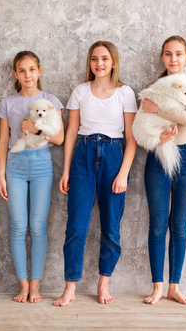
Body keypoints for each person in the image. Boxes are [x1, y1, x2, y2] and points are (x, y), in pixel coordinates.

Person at [53, 41, 137, 307]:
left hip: (114, 156)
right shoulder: (80, 91)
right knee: (76, 226)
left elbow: (132, 139)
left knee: (111, 228)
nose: (99, 64)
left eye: (104, 58)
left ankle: (104, 284)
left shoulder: (125, 93)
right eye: (94, 59)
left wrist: (123, 173)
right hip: (83, 156)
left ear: (113, 62)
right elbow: (71, 133)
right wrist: (66, 170)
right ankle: (70, 288)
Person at [142, 36, 186, 305]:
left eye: (179, 54)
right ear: (162, 58)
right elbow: (144, 128)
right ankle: (158, 286)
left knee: (179, 226)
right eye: (168, 54)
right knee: (158, 225)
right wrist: (159, 132)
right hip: (158, 157)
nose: (173, 59)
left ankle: (174, 286)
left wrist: (160, 109)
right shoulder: (152, 88)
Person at [0, 51, 65, 303]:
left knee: (37, 227)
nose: (28, 75)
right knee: (17, 227)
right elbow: (4, 140)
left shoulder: (51, 100)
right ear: (16, 74)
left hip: (41, 165)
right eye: (22, 71)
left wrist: (35, 129)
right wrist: (1, 175)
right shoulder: (7, 103)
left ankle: (36, 285)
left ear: (39, 71)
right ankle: (23, 285)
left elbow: (59, 138)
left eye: (32, 69)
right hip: (14, 165)